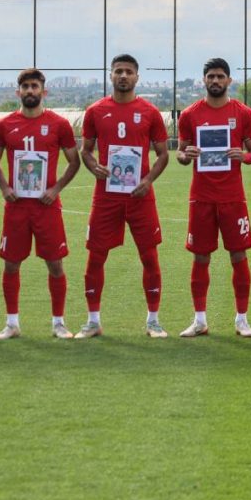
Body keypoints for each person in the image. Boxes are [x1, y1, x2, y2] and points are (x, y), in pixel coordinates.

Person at [76, 54, 170, 338]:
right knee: (96, 256)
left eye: (128, 71)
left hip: (140, 195)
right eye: (118, 71)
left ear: (137, 77)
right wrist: (94, 167)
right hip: (106, 195)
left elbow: (163, 154)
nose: (123, 76)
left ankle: (153, 321)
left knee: (149, 256)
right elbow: (86, 151)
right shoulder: (95, 110)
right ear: (111, 75)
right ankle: (93, 321)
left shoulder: (150, 112)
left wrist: (148, 179)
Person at [0, 68, 81, 340]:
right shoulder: (4, 125)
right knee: (11, 265)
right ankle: (12, 323)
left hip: (46, 207)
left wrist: (56, 187)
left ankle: (58, 323)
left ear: (44, 91)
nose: (30, 91)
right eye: (25, 87)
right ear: (18, 92)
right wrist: (5, 187)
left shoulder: (59, 124)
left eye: (35, 86)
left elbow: (74, 161)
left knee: (55, 265)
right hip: (16, 207)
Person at [176, 57, 251, 338]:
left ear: (229, 80)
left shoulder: (243, 113)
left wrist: (244, 156)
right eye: (210, 76)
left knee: (239, 254)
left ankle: (242, 319)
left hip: (232, 197)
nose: (215, 81)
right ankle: (200, 319)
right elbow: (181, 153)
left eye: (220, 76)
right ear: (204, 80)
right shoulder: (189, 114)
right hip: (201, 197)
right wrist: (185, 155)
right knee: (200, 257)